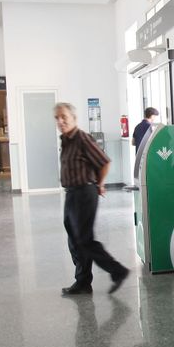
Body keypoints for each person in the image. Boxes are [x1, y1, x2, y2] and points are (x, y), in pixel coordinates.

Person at [55, 102, 130, 296]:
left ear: (73, 118)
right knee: (75, 240)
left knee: (84, 239)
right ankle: (82, 282)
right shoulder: (66, 140)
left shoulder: (82, 138)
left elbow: (104, 162)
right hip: (71, 193)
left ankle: (117, 271)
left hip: (84, 193)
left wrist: (99, 183)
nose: (60, 121)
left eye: (64, 117)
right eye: (57, 117)